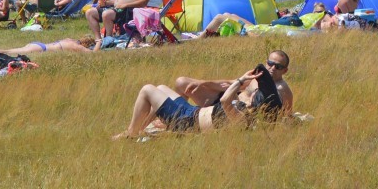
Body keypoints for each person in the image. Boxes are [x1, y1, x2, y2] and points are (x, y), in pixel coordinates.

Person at [114, 50, 293, 139]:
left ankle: (131, 133)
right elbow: (228, 88)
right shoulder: (251, 97)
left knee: (147, 89)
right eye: (270, 63)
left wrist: (239, 81)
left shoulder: (243, 115)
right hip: (193, 113)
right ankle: (141, 129)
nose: (272, 68)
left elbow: (225, 101)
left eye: (277, 66)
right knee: (161, 87)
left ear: (284, 70)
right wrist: (205, 83)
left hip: (187, 121)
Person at [0, 35, 99, 57]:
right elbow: (93, 54)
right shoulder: (75, 46)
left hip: (38, 45)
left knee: (7, 51)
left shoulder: (69, 40)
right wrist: (98, 42)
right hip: (40, 48)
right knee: (6, 52)